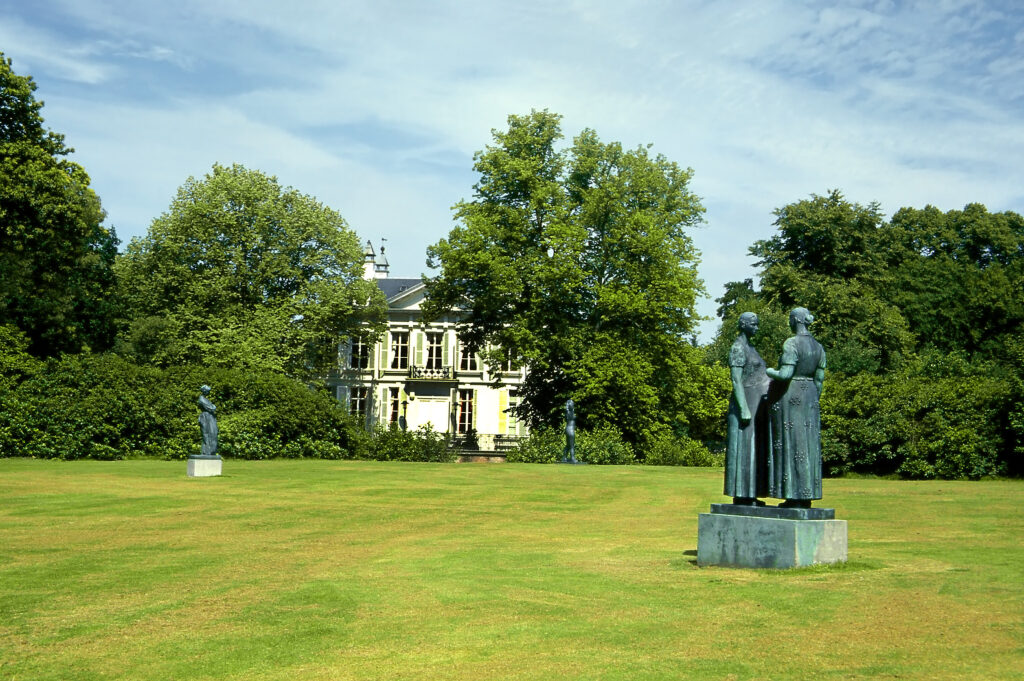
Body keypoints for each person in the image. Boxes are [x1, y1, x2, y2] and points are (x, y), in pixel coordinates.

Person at [765, 308, 826, 507]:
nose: (789, 322)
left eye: (790, 319)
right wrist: (814, 398)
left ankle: (793, 495)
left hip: (792, 395)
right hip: (810, 397)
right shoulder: (818, 347)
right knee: (808, 445)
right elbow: (819, 379)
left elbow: (785, 374)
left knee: (791, 443)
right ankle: (807, 495)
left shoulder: (791, 343)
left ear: (796, 320)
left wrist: (768, 371)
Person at [724, 312, 769, 505]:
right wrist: (743, 408)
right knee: (743, 449)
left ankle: (751, 493)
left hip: (755, 403)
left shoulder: (751, 348)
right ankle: (742, 495)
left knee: (753, 449)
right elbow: (736, 379)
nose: (757, 327)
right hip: (744, 404)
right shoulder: (738, 348)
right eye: (753, 324)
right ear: (743, 325)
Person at [198, 385, 219, 457]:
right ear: (204, 391)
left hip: (210, 417)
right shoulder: (201, 399)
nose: (208, 393)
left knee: (213, 433)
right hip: (206, 418)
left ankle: (211, 451)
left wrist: (213, 407)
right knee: (207, 434)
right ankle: (207, 452)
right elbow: (211, 408)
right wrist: (213, 407)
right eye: (207, 391)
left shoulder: (205, 399)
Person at [562, 398, 577, 464]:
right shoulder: (569, 412)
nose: (573, 405)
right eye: (572, 404)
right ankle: (572, 458)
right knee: (571, 445)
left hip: (568, 429)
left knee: (568, 445)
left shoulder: (568, 412)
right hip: (570, 430)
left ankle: (564, 457)